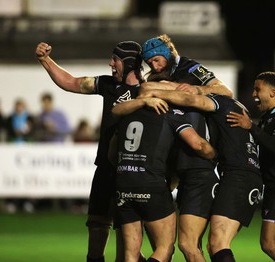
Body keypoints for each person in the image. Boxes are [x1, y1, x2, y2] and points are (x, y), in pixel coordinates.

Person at [35, 40, 145, 262]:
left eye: (115, 60)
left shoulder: (150, 90)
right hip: (105, 167)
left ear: (129, 63)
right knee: (96, 230)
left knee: (127, 247)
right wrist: (45, 60)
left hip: (132, 171)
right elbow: (71, 82)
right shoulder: (107, 85)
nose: (110, 63)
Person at [140, 88, 262, 261]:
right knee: (199, 245)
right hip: (197, 178)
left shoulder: (183, 111)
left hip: (202, 178)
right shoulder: (203, 112)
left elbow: (199, 145)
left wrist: (214, 155)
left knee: (191, 244)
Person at [140, 34, 232, 261]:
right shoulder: (156, 76)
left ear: (169, 53)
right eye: (150, 62)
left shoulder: (192, 69)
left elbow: (225, 91)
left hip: (195, 160)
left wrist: (197, 90)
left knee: (188, 244)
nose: (154, 65)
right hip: (172, 163)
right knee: (173, 244)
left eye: (157, 60)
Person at [112, 96, 216, 262]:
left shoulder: (128, 113)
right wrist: (214, 154)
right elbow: (198, 145)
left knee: (130, 253)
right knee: (165, 247)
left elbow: (112, 152)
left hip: (123, 184)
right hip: (150, 183)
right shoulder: (171, 113)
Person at [226, 71, 275, 262]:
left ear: (272, 92)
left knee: (269, 243)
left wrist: (250, 127)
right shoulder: (268, 117)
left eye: (257, 89)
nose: (254, 94)